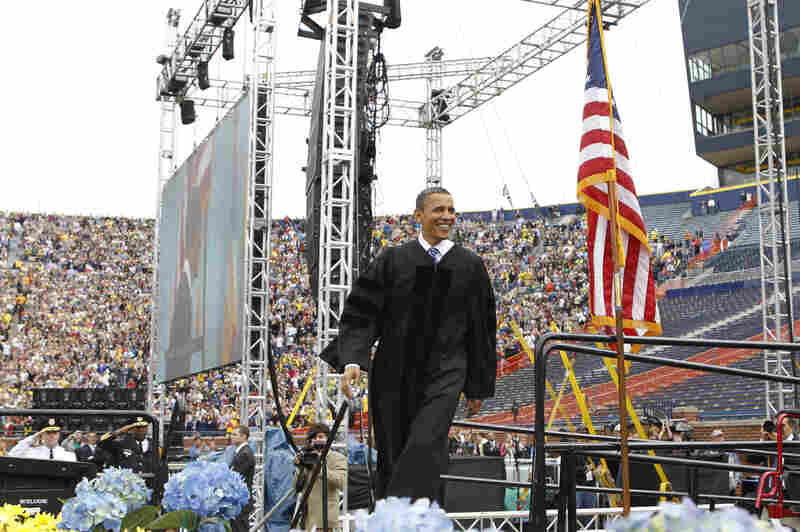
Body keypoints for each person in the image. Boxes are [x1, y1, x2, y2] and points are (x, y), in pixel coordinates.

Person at [321, 187, 497, 503]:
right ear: (419, 216)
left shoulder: (469, 265)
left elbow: (481, 329)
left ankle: (399, 522)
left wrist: (477, 386)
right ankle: (411, 518)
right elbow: (363, 313)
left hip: (446, 371)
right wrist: (352, 361)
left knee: (426, 443)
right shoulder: (394, 260)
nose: (447, 217)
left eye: (451, 210)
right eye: (438, 210)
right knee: (393, 452)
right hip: (393, 372)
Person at [294, 423, 347, 532]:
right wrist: (300, 467)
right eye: (314, 437)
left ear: (328, 438)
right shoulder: (307, 457)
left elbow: (341, 482)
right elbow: (296, 487)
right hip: (307, 517)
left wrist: (318, 468)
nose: (317, 440)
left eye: (321, 437)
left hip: (325, 519)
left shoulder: (337, 458)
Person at [7, 418, 76, 461]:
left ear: (59, 435)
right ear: (42, 434)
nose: (51, 436)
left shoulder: (68, 456)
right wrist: (33, 438)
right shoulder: (33, 453)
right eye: (48, 433)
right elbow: (12, 455)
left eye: (54, 433)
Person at [230, 425, 255, 532]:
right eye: (231, 434)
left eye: (234, 434)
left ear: (244, 436)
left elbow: (236, 477)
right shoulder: (241, 452)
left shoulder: (245, 454)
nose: (231, 437)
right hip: (238, 500)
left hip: (240, 500)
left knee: (240, 528)